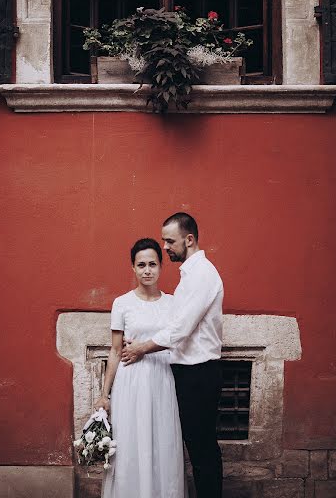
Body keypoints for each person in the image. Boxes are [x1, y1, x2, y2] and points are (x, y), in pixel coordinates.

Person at [122, 213, 224, 498]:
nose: (165, 247)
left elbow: (180, 330)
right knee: (197, 447)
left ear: (189, 239)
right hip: (189, 373)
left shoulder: (203, 274)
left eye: (170, 241)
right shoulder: (190, 275)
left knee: (202, 451)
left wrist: (141, 348)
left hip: (199, 373)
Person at [95, 237, 188, 498]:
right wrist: (105, 394)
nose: (147, 270)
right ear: (133, 268)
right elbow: (115, 350)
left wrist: (145, 346)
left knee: (163, 441)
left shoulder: (172, 304)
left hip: (162, 378)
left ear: (160, 267)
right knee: (130, 442)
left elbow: (178, 342)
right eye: (141, 265)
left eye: (153, 264)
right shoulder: (121, 304)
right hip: (130, 380)